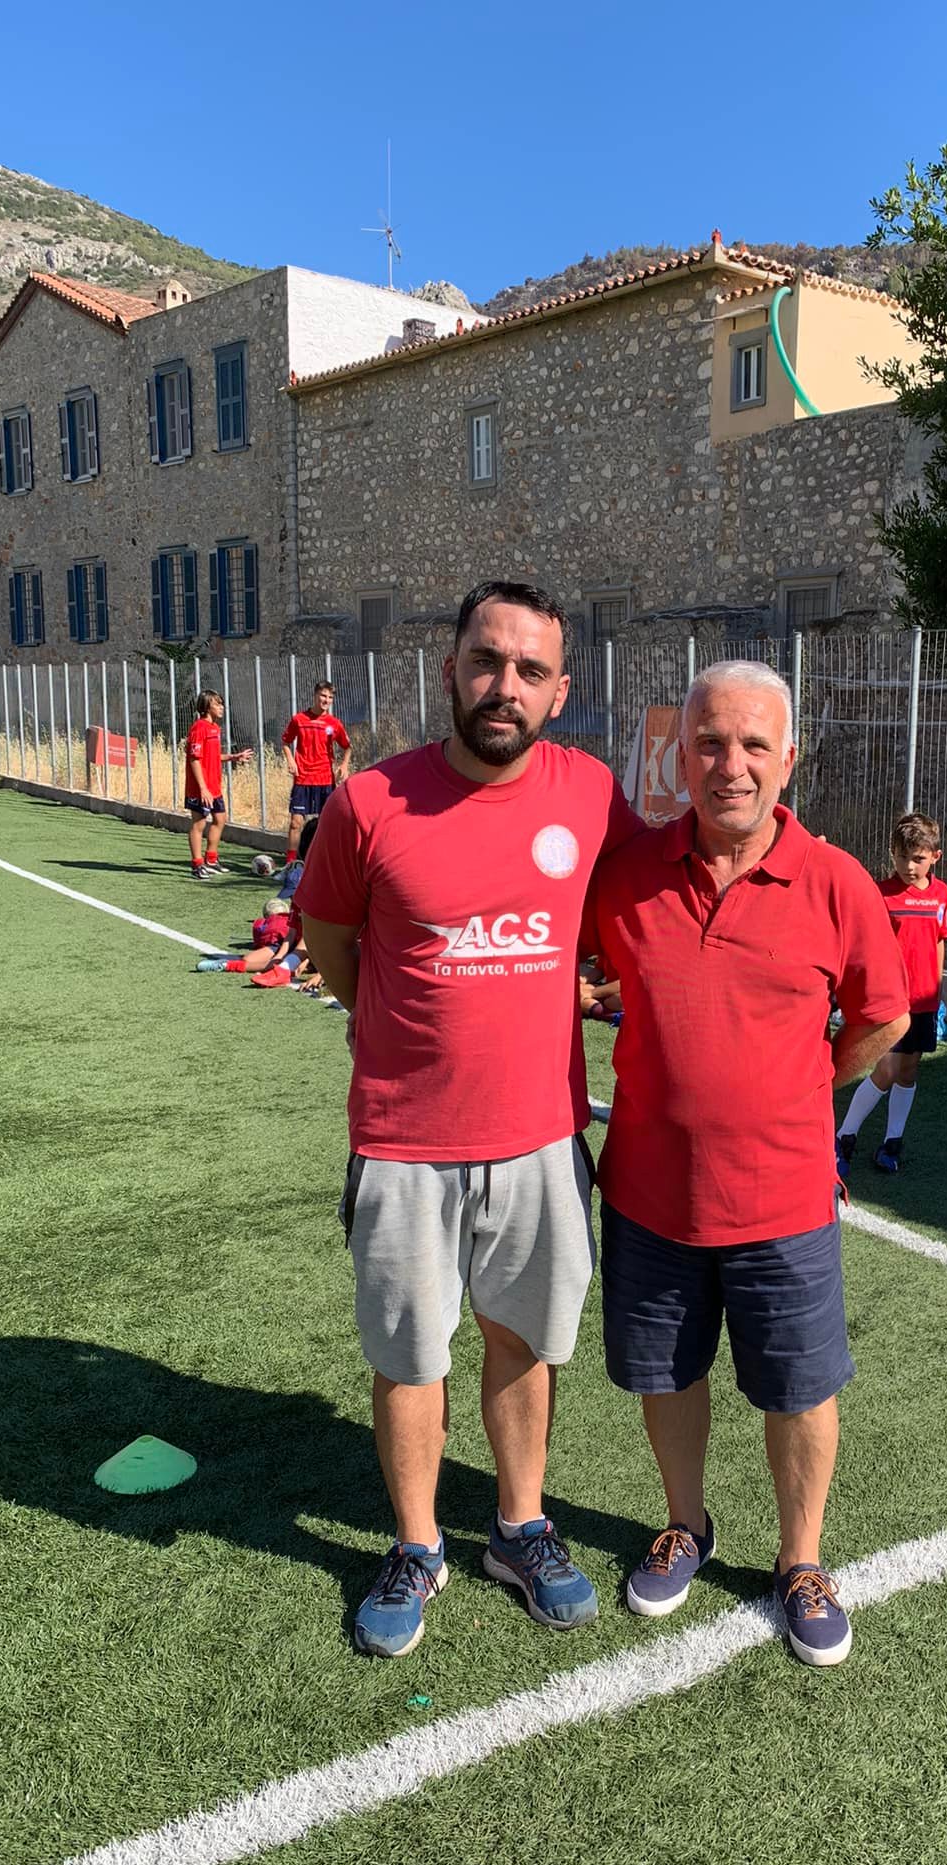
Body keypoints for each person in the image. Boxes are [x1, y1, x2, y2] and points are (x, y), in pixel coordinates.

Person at [297, 581, 642, 1659]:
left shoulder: (590, 793)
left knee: (523, 1341)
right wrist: (392, 1029)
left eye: (531, 670)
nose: (506, 686)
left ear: (560, 692)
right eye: (488, 661)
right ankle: (416, 1544)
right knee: (410, 1355)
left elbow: (638, 907)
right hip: (404, 1141)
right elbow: (329, 940)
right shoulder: (369, 802)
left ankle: (519, 1526)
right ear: (450, 669)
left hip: (540, 1135)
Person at [583, 661, 909, 1669]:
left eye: (753, 745)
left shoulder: (837, 881)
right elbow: (567, 968)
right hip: (649, 1194)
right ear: (681, 758)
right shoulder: (627, 875)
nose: (731, 765)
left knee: (799, 1388)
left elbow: (885, 1015)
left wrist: (805, 1087)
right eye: (710, 744)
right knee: (667, 1372)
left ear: (788, 758)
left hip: (785, 1197)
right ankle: (686, 1523)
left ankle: (801, 1560)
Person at [834, 810, 947, 1176]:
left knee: (908, 1069)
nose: (909, 866)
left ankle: (892, 1142)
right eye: (902, 857)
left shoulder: (941, 895)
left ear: (935, 857)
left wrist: (936, 990)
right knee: (886, 1068)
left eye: (918, 858)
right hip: (890, 1001)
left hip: (924, 1002)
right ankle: (844, 1137)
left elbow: (939, 941)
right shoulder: (880, 894)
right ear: (892, 854)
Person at [281, 683, 351, 868]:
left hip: (325, 780)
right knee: (296, 822)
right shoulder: (299, 719)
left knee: (326, 823)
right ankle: (291, 864)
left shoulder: (334, 724)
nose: (326, 700)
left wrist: (344, 765)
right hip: (303, 779)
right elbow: (286, 742)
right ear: (315, 695)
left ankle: (323, 861)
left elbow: (347, 747)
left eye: (330, 697)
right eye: (323, 696)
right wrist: (291, 760)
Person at [184, 691, 251, 880]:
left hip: (214, 787)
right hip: (200, 788)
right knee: (199, 823)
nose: (221, 707)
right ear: (207, 707)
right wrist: (202, 788)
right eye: (217, 704)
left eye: (222, 704)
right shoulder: (199, 728)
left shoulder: (215, 728)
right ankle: (197, 865)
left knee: (220, 819)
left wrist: (233, 757)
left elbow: (212, 756)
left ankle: (211, 860)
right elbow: (194, 759)